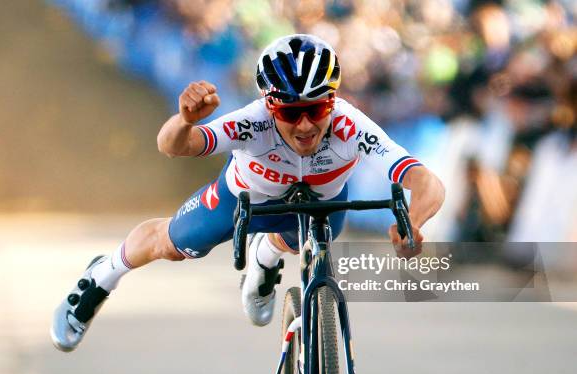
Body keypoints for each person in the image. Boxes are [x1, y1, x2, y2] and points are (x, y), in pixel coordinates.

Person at [51, 34, 445, 352]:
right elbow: (173, 146)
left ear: (333, 101)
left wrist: (412, 221)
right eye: (291, 112)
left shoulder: (350, 123)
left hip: (319, 208)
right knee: (168, 244)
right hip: (242, 202)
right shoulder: (251, 123)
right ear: (269, 106)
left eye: (318, 108)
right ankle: (101, 276)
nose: (306, 124)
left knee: (304, 239)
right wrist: (184, 120)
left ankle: (265, 254)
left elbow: (427, 182)